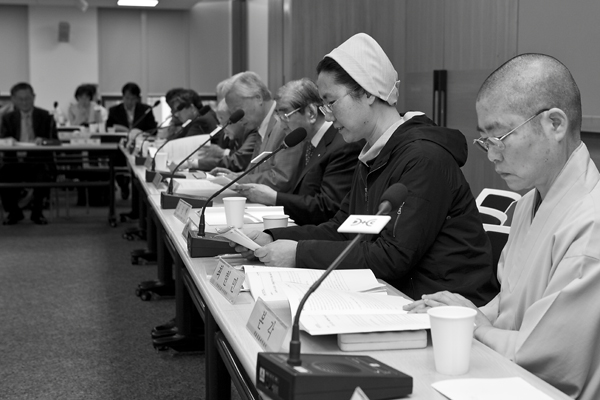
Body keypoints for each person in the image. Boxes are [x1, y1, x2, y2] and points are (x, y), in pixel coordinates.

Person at [233, 33, 498, 305]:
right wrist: (272, 237)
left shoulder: (423, 158)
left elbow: (392, 256)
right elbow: (344, 228)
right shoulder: (373, 153)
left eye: (331, 102)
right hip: (397, 295)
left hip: (446, 309)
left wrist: (298, 253)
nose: (328, 116)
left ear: (369, 92)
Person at [404, 54, 600, 400]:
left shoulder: (591, 225)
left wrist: (475, 325)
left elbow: (552, 362)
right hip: (504, 375)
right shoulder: (528, 204)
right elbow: (510, 302)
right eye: (485, 142)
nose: (492, 156)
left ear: (555, 124)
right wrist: (462, 313)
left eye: (500, 137)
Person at [236, 78, 362, 225]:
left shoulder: (342, 146)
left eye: (285, 116)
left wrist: (274, 198)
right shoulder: (308, 142)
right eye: (278, 116)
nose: (281, 125)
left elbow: (327, 208)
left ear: (311, 113)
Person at [210, 71, 305, 193]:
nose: (238, 118)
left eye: (238, 110)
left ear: (258, 98)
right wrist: (235, 176)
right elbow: (259, 171)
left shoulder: (284, 123)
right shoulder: (261, 125)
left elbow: (281, 179)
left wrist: (238, 180)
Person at [0, 82, 57, 225]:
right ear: (13, 100)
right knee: (3, 174)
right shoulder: (7, 118)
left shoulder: (46, 116)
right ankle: (14, 212)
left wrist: (43, 141)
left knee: (42, 175)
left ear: (34, 97)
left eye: (28, 98)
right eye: (20, 99)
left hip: (38, 161)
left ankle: (37, 213)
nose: (24, 102)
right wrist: (8, 141)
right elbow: (2, 140)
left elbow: (55, 141)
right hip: (14, 161)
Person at [189, 99, 259, 172]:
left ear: (238, 119)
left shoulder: (253, 132)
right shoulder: (235, 134)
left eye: (223, 120)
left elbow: (236, 162)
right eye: (220, 121)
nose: (222, 127)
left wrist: (193, 163)